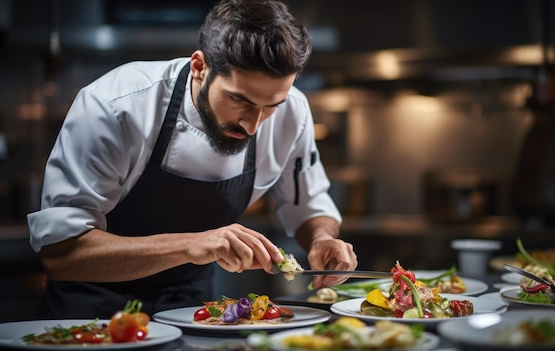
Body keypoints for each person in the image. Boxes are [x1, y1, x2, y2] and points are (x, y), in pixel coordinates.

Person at [27, 0, 357, 319]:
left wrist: (322, 239)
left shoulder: (293, 112)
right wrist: (190, 245)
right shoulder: (115, 106)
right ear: (199, 67)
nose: (253, 124)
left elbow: (310, 207)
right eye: (238, 99)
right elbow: (61, 254)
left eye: (272, 105)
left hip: (191, 316)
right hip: (86, 319)